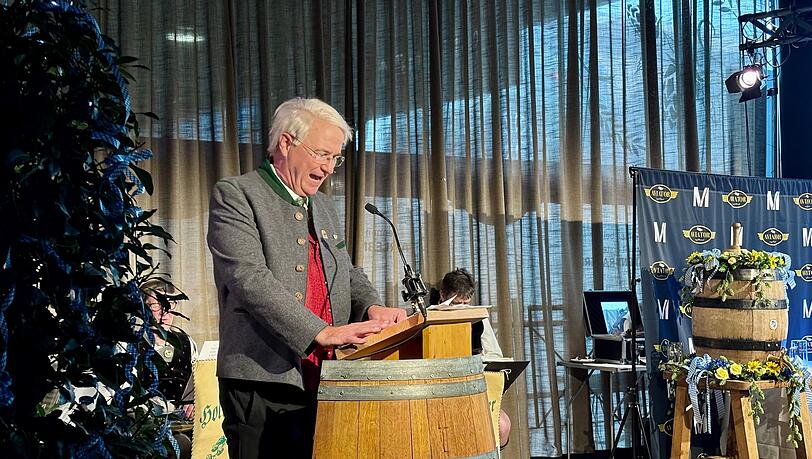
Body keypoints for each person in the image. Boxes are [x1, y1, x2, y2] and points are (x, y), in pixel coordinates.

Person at [207, 97, 407, 458]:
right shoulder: (237, 194)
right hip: (261, 377)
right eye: (322, 154)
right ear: (286, 143)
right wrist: (320, 332)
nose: (330, 168)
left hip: (329, 377)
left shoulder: (325, 206)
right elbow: (248, 277)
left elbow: (346, 271)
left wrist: (373, 306)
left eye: (335, 158)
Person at [437, 268, 512, 449]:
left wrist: (482, 358)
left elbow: (495, 355)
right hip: (441, 392)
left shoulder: (478, 317)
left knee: (503, 426)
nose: (463, 308)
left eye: (466, 303)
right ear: (442, 295)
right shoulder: (430, 318)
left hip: (474, 386)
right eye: (456, 303)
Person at [141, 279, 197, 459]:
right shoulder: (132, 346)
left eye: (170, 303)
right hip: (147, 426)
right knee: (180, 446)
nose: (165, 312)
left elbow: (199, 380)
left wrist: (196, 400)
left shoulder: (186, 341)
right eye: (157, 305)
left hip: (188, 423)